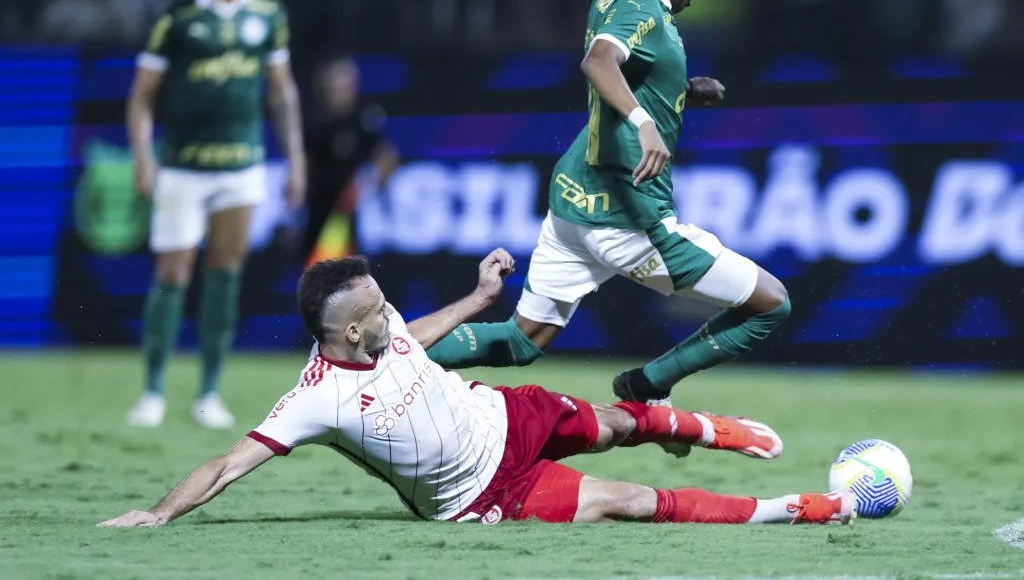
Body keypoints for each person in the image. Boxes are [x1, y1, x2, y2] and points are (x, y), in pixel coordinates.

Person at [99, 252, 854, 528]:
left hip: (501, 412)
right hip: (485, 494)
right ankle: (782, 511)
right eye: (375, 310)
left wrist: (476, 297)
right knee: (623, 499)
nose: (388, 311)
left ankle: (702, 426)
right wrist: (159, 512)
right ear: (349, 334)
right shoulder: (314, 400)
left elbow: (416, 333)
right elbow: (228, 464)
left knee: (616, 422)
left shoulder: (379, 319)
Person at [424, 0, 792, 449]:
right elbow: (599, 62)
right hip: (630, 218)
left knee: (522, 341)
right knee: (770, 303)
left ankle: (388, 354)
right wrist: (646, 122)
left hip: (575, 199)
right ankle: (648, 383)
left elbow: (630, 67)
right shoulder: (643, 8)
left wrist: (681, 91)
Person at [125, 0, 306, 430]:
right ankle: (153, 390)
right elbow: (141, 98)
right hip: (182, 168)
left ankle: (208, 393)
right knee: (172, 273)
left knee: (225, 275)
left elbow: (282, 92)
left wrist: (295, 161)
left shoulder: (268, 15)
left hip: (241, 167)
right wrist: (144, 157)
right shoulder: (177, 17)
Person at [302, 57, 398, 265]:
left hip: (356, 211)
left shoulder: (365, 118)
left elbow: (386, 157)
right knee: (318, 272)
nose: (337, 93)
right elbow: (304, 165)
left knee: (353, 273)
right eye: (331, 88)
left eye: (343, 86)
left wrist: (366, 183)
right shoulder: (313, 121)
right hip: (319, 208)